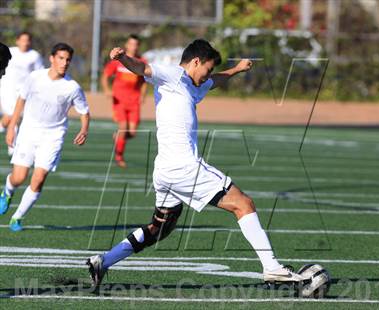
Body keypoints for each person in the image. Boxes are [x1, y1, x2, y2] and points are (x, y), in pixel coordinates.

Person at [87, 39, 306, 286]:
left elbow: (215, 81)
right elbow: (142, 69)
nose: (208, 75)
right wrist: (122, 58)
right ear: (195, 62)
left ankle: (102, 262)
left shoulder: (194, 85)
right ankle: (272, 267)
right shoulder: (172, 75)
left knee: (160, 229)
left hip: (165, 171)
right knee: (243, 204)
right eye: (208, 69)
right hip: (185, 168)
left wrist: (237, 70)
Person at [0, 43, 90, 232]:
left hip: (53, 136)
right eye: (61, 58)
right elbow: (20, 101)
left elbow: (84, 112)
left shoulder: (72, 87)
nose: (64, 63)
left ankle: (17, 218)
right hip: (28, 132)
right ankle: (8, 191)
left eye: (68, 60)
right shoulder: (35, 77)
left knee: (39, 178)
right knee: (19, 177)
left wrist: (84, 129)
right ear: (51, 58)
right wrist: (11, 128)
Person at [101, 34, 147, 168]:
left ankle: (118, 137)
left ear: (138, 46)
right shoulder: (118, 60)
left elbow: (144, 80)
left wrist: (143, 95)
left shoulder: (141, 61)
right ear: (127, 45)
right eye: (131, 44)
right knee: (123, 127)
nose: (133, 47)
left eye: (136, 44)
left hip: (134, 101)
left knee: (131, 132)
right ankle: (119, 156)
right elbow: (105, 76)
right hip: (119, 100)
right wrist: (107, 90)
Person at [0, 32, 44, 155]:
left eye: (27, 40)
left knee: (12, 118)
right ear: (17, 41)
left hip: (24, 92)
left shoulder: (34, 56)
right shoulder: (10, 52)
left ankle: (8, 137)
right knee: (13, 116)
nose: (25, 43)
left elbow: (39, 74)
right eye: (23, 40)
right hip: (7, 90)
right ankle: (12, 147)